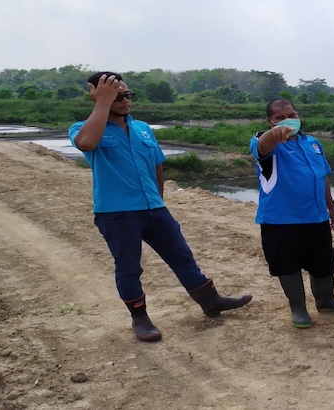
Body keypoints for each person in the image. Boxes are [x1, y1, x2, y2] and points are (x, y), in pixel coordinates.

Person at [69, 72, 252, 342]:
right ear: (96, 95)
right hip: (117, 213)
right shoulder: (85, 127)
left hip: (154, 209)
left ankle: (210, 301)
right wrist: (102, 104)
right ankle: (140, 318)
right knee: (129, 267)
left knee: (181, 255)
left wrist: (159, 201)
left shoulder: (142, 128)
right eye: (116, 96)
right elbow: (86, 143)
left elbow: (156, 165)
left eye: (127, 95)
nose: (124, 100)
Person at [250, 99, 334, 329]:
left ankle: (326, 300)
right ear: (269, 122)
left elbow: (323, 177)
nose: (288, 120)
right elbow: (263, 146)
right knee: (287, 266)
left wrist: (332, 209)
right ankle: (298, 308)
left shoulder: (313, 143)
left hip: (316, 216)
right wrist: (276, 133)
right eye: (280, 118)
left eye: (292, 114)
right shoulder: (265, 143)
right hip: (281, 220)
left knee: (322, 263)